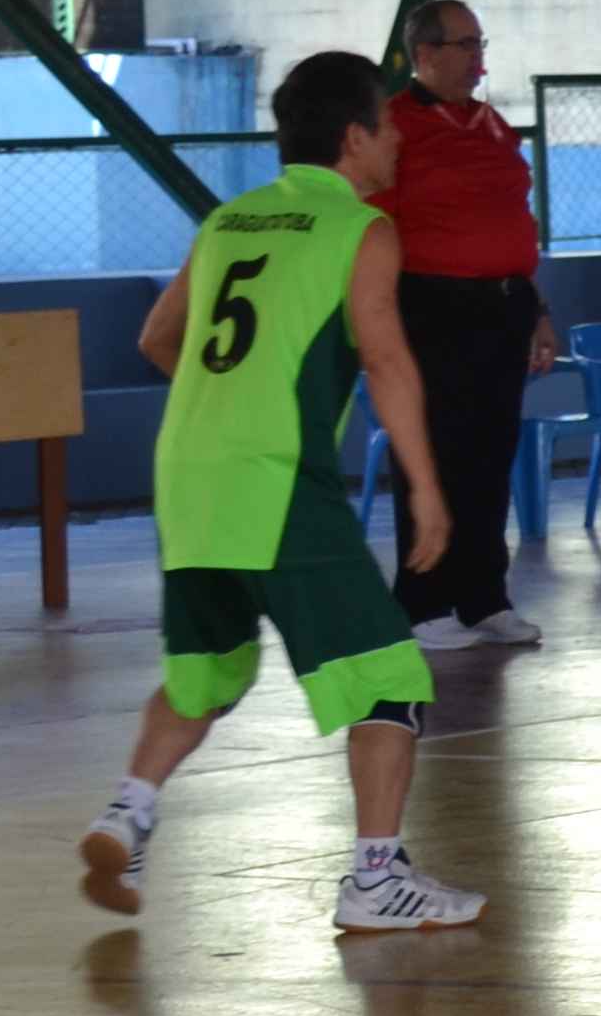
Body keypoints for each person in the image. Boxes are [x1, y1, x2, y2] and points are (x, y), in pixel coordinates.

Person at [78, 52, 480, 931]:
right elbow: (384, 359)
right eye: (387, 125)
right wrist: (427, 489)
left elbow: (156, 338)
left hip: (188, 476)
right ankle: (377, 879)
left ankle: (128, 811)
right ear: (352, 138)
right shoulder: (360, 230)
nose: (398, 142)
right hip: (279, 485)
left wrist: (233, 397)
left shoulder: (228, 221)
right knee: (390, 680)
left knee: (206, 673)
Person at [373, 0, 556, 651]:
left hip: (501, 304)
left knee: (489, 454)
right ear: (425, 54)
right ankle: (421, 605)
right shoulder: (392, 124)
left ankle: (484, 598)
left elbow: (514, 220)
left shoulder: (489, 123)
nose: (480, 59)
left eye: (482, 44)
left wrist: (536, 310)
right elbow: (376, 224)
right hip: (429, 305)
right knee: (433, 453)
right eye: (466, 45)